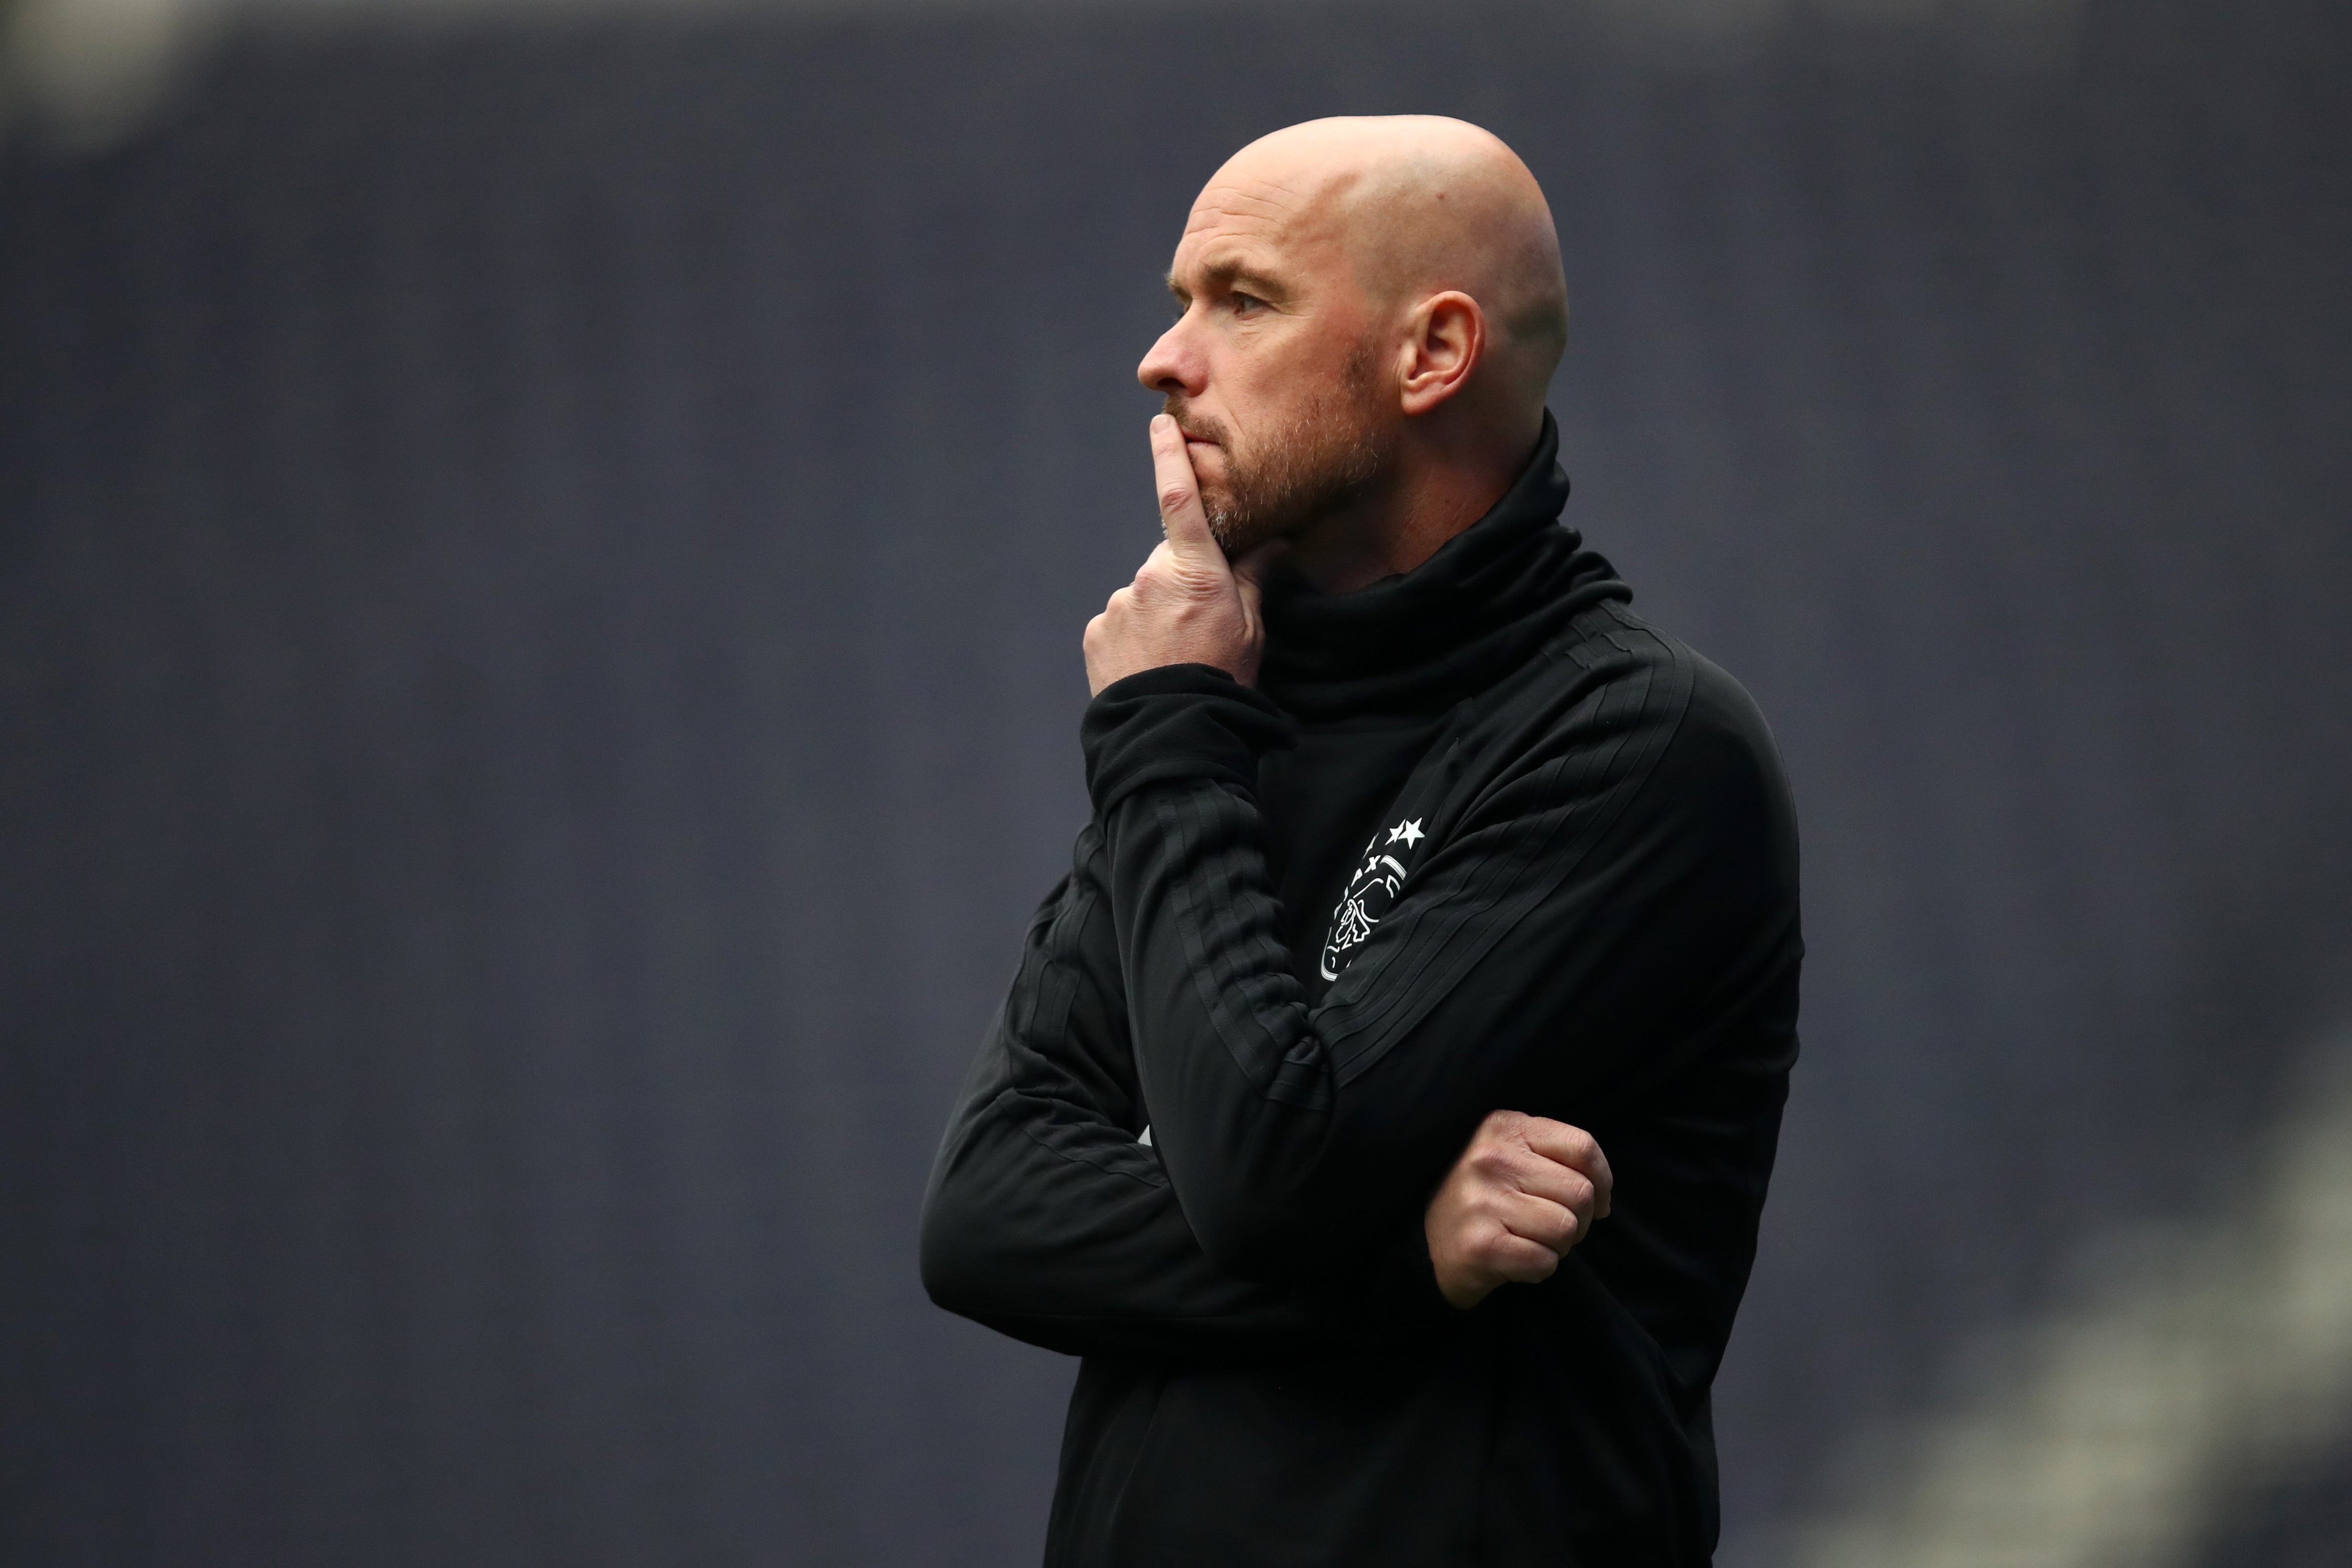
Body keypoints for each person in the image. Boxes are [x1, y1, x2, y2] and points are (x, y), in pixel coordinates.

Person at [920, 115, 1800, 1567]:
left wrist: (1166, 730)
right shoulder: (1224, 711)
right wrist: (1405, 1259)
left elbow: (1268, 1163)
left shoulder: (1636, 745)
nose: (1165, 356)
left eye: (1242, 300)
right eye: (1178, 300)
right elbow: (991, 1208)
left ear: (1431, 355)